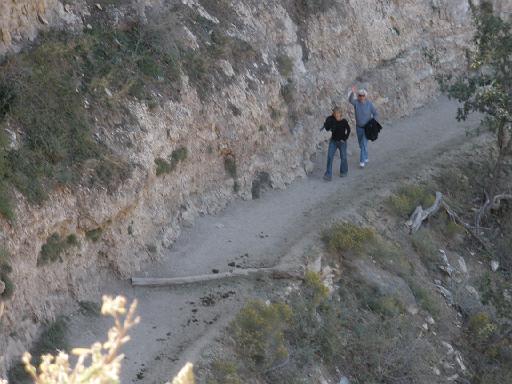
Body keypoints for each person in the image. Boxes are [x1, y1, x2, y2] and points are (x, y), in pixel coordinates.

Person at [349, 86, 379, 168]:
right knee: (361, 144)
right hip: (358, 127)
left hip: (367, 128)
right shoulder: (356, 103)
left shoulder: (369, 104)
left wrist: (373, 122)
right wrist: (353, 92)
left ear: (365, 96)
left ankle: (362, 161)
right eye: (360, 95)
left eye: (363, 95)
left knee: (363, 144)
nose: (361, 97)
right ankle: (365, 157)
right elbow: (350, 100)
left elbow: (376, 113)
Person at [322, 106, 351, 181]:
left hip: (342, 142)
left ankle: (344, 171)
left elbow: (348, 130)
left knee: (343, 157)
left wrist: (345, 138)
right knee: (329, 157)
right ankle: (328, 174)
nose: (336, 116)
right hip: (333, 141)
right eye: (335, 114)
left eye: (337, 114)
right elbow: (327, 128)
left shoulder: (344, 121)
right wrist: (326, 124)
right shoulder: (332, 120)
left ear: (340, 114)